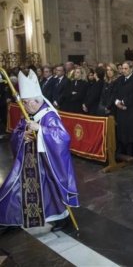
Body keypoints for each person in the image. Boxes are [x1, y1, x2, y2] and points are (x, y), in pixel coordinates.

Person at [0, 70, 79, 231]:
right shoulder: (29, 113)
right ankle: (11, 218)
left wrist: (41, 130)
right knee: (16, 186)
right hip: (29, 161)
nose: (24, 106)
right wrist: (24, 136)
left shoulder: (49, 116)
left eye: (26, 102)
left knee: (52, 189)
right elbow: (18, 131)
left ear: (35, 102)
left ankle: (63, 219)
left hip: (47, 163)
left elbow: (63, 138)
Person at [113, 61, 133, 160]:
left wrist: (123, 102)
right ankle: (125, 152)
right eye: (122, 68)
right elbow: (116, 92)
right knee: (123, 132)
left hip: (132, 110)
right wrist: (117, 102)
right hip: (121, 110)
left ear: (131, 69)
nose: (124, 70)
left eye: (126, 68)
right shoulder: (120, 79)